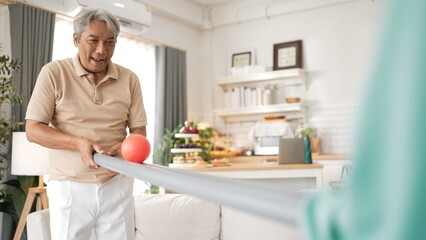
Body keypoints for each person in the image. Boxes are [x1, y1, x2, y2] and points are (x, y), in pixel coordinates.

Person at [25, 7, 147, 240]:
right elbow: (33, 130)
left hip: (117, 182)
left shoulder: (130, 79)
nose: (102, 50)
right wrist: (78, 142)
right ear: (76, 39)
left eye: (110, 42)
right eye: (93, 40)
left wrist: (124, 147)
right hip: (70, 186)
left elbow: (139, 130)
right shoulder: (54, 73)